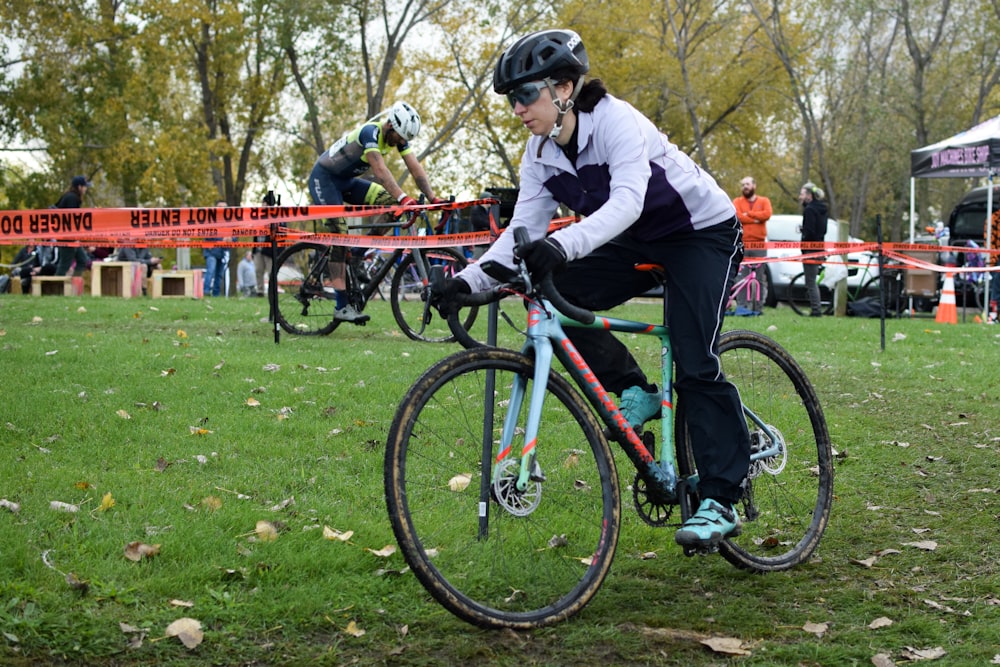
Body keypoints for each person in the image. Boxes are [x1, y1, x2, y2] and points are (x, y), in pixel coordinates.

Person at [433, 29, 749, 551]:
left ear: (564, 88)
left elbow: (625, 201)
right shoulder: (539, 154)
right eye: (510, 99)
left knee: (695, 360)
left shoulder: (616, 122)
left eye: (525, 95)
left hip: (699, 233)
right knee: (550, 295)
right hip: (634, 240)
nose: (516, 109)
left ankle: (721, 496)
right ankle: (635, 389)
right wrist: (467, 283)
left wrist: (564, 245)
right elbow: (522, 233)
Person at [308, 101, 445, 322]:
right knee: (340, 237)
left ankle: (358, 256)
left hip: (347, 181)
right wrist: (404, 198)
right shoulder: (369, 132)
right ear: (390, 125)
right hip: (324, 180)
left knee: (391, 205)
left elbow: (414, 166)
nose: (400, 142)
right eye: (399, 137)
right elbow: (380, 170)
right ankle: (341, 306)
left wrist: (432, 197)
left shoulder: (397, 136)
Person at [732, 176, 772, 313]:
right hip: (743, 244)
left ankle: (758, 307)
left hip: (759, 245)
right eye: (743, 185)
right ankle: (742, 306)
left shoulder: (764, 201)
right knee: (742, 277)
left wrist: (748, 214)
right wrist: (756, 219)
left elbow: (767, 214)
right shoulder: (737, 201)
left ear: (754, 185)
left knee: (760, 277)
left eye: (747, 184)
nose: (745, 187)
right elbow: (737, 216)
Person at [53, 176, 93, 276]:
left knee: (82, 260)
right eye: (84, 186)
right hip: (67, 237)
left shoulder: (68, 196)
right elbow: (72, 220)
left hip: (68, 235)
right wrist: (75, 237)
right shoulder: (72, 198)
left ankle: (75, 284)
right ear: (79, 187)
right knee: (65, 264)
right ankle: (55, 287)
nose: (85, 189)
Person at [799, 182, 828, 317]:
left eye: (802, 194)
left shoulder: (809, 210)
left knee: (810, 281)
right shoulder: (823, 209)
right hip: (819, 246)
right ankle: (816, 307)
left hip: (810, 248)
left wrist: (803, 231)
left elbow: (809, 231)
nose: (800, 197)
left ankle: (816, 310)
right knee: (813, 280)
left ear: (809, 195)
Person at [203, 200, 229, 297]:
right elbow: (206, 234)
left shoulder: (229, 222)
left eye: (224, 207)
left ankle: (216, 294)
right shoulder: (210, 220)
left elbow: (234, 236)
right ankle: (206, 291)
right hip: (211, 251)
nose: (222, 209)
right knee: (210, 271)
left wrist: (230, 239)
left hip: (223, 252)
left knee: (219, 274)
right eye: (220, 206)